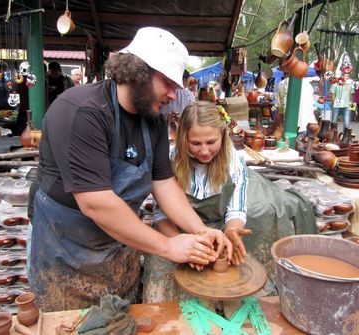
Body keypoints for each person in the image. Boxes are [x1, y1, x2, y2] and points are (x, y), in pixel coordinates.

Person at [29, 27, 231, 312]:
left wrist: (200, 231)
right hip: (66, 251)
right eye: (169, 84)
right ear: (140, 72)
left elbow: (163, 183)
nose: (174, 95)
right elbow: (96, 203)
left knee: (123, 320)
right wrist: (168, 246)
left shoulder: (154, 120)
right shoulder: (83, 111)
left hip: (119, 243)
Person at [142, 101, 317, 303]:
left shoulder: (233, 160)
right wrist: (183, 248)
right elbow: (162, 214)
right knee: (161, 275)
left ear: (223, 135)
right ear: (183, 139)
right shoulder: (169, 161)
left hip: (219, 228)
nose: (205, 151)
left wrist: (232, 231)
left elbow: (235, 210)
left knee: (246, 270)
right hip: (179, 231)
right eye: (195, 143)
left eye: (211, 142)